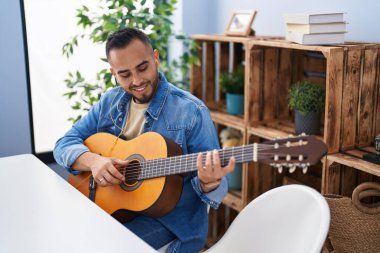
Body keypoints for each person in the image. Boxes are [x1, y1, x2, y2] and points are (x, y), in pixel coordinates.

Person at [54, 28, 235, 253]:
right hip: (113, 208)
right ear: (113, 73)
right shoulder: (109, 102)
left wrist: (210, 182)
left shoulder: (191, 112)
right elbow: (64, 143)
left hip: (169, 223)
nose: (137, 80)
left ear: (155, 58)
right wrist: (93, 162)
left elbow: (218, 185)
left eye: (143, 68)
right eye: (125, 74)